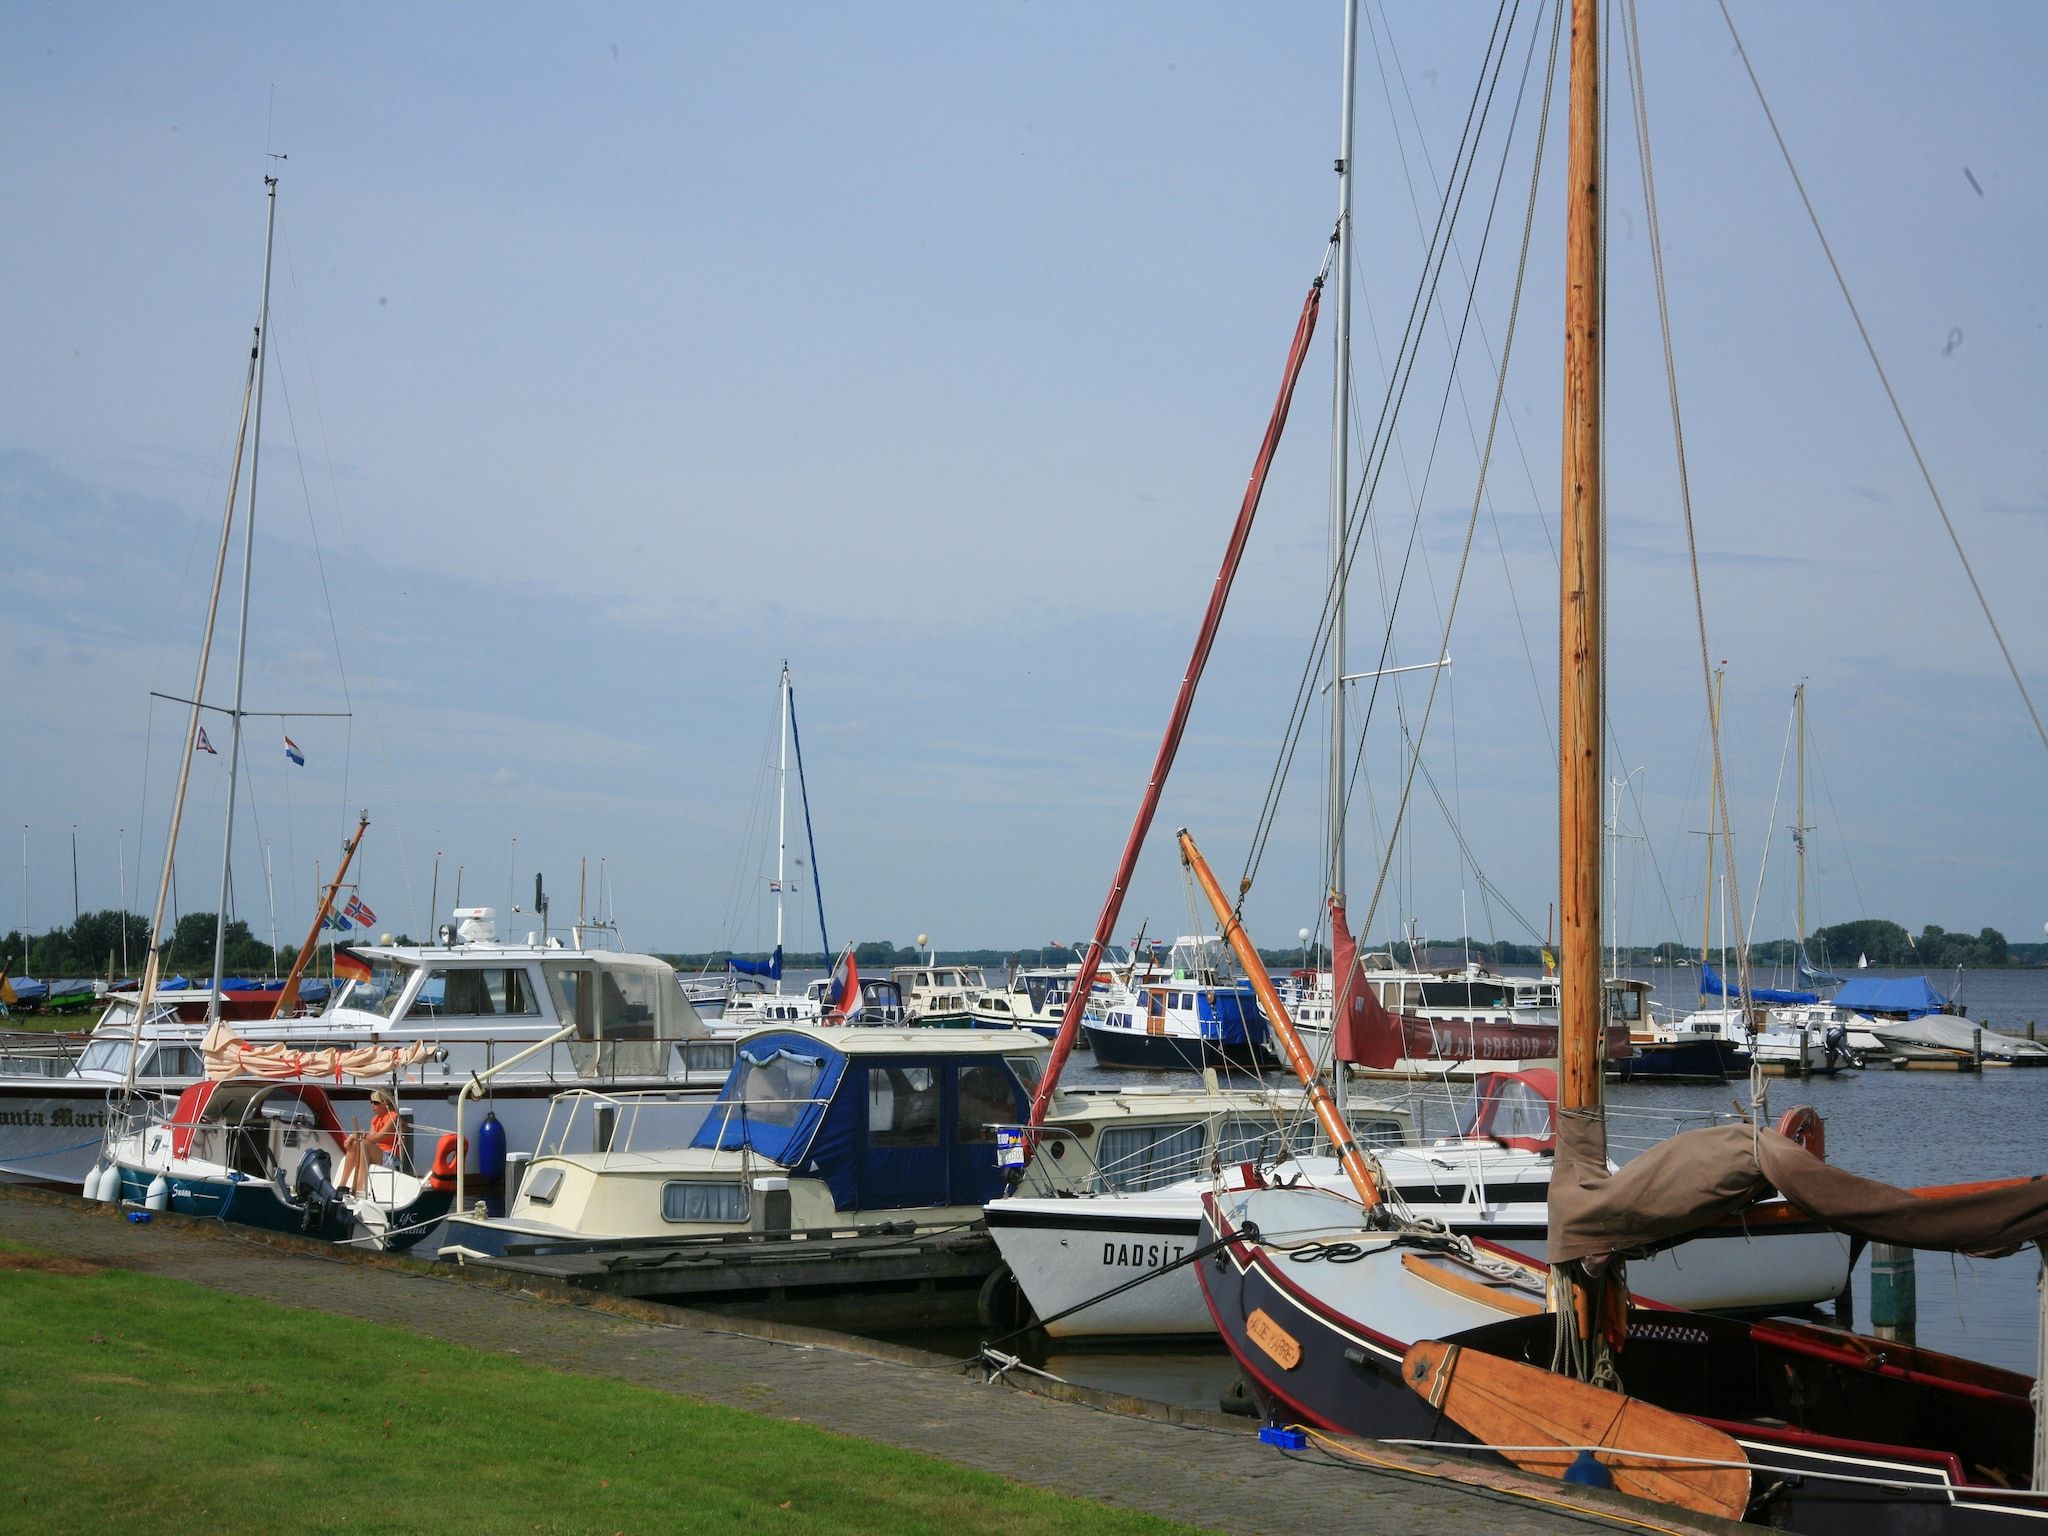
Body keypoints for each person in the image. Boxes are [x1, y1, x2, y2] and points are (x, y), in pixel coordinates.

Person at [338, 1088, 404, 1196]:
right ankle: (342, 1185)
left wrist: (354, 1136)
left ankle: (358, 1187)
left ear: (385, 1103)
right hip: (378, 1154)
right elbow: (371, 1139)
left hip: (390, 1158)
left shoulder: (393, 1117)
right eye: (371, 1102)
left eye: (376, 1103)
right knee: (354, 1145)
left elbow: (377, 1138)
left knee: (363, 1144)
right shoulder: (375, 1120)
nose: (372, 1105)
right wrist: (356, 1138)